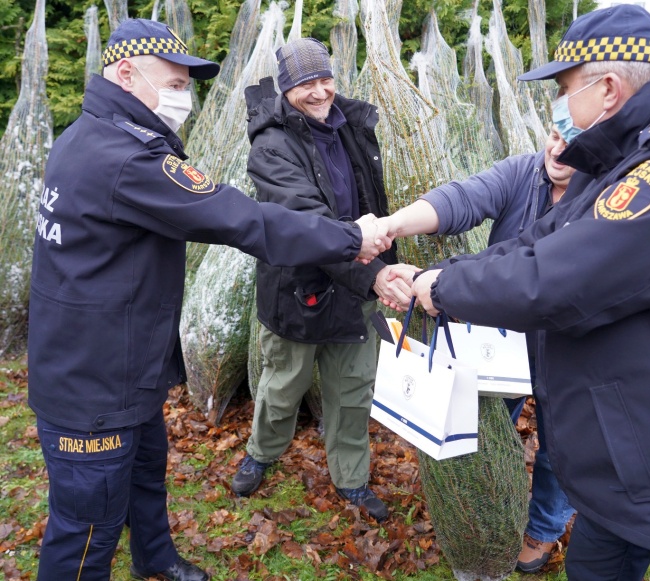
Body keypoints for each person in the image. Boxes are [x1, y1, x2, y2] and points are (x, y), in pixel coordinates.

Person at [410, 5, 650, 580]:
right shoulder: (614, 160)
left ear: (608, 89)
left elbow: (559, 281)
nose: (559, 107)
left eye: (565, 90)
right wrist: (442, 274)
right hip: (622, 475)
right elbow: (537, 242)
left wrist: (444, 289)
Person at [28, 19, 391, 581]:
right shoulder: (125, 157)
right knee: (86, 530)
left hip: (121, 366)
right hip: (93, 385)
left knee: (145, 475)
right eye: (174, 84)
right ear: (126, 74)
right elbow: (238, 217)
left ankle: (155, 557)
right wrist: (350, 238)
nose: (184, 97)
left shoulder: (88, 136)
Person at [229, 37, 413, 522]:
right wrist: (374, 273)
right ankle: (262, 452)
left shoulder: (351, 125)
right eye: (305, 83)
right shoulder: (270, 148)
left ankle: (351, 477)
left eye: (325, 78)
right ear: (286, 89)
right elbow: (308, 223)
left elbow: (371, 203)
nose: (319, 91)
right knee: (281, 387)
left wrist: (383, 263)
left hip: (357, 286)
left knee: (353, 391)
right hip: (298, 288)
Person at [379, 126, 575, 573]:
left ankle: (543, 529)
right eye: (554, 134)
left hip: (569, 349)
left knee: (561, 447)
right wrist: (394, 225)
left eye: (573, 140)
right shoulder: (525, 173)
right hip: (500, 345)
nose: (558, 149)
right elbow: (463, 199)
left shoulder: (601, 197)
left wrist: (441, 282)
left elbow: (533, 268)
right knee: (484, 431)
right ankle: (486, 521)